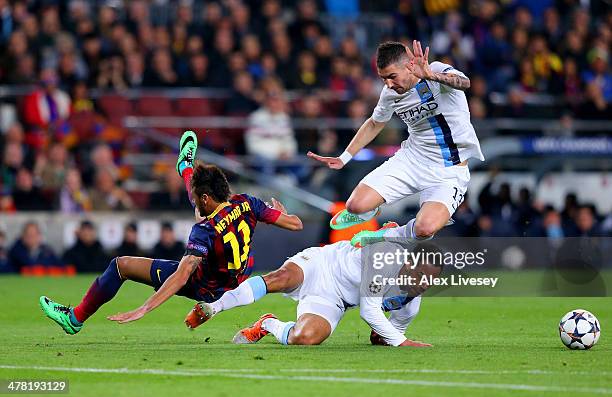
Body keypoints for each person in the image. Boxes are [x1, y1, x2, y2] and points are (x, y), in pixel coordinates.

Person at [40, 131, 303, 334]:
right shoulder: (248, 202)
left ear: (207, 197)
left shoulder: (204, 230)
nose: (197, 198)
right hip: (239, 274)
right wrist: (281, 212)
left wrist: (145, 307)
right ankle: (185, 167)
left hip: (206, 287)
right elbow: (295, 224)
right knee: (203, 209)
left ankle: (74, 319)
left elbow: (182, 275)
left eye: (200, 195)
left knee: (120, 266)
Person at [308, 41, 484, 244]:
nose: (389, 84)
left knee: (425, 229)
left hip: (449, 170)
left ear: (409, 66)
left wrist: (431, 76)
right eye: (383, 79)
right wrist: (344, 157)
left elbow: (465, 82)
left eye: (392, 77)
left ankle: (388, 233)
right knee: (355, 205)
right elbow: (374, 123)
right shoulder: (390, 93)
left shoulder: (435, 71)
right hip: (412, 160)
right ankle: (366, 212)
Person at [185, 233, 442, 347]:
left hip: (334, 300)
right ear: (409, 262)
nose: (422, 284)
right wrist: (401, 342)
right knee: (281, 278)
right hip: (322, 264)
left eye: (429, 282)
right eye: (420, 275)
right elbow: (370, 311)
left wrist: (386, 337)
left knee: (305, 338)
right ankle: (214, 306)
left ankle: (267, 325)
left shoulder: (410, 303)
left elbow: (386, 334)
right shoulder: (386, 258)